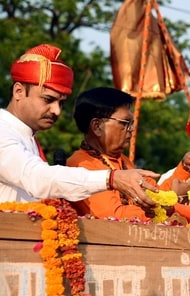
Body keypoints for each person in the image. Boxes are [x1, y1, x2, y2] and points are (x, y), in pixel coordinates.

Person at [0, 43, 158, 206]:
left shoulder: (27, 137)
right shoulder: (2, 131)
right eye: (48, 99)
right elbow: (35, 177)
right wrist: (111, 179)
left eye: (61, 103)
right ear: (18, 91)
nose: (57, 111)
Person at [67, 87, 190, 220]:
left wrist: (185, 168)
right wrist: (166, 206)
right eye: (125, 123)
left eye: (132, 123)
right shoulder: (80, 164)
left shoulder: (123, 161)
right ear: (97, 126)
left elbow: (156, 192)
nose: (131, 129)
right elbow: (115, 216)